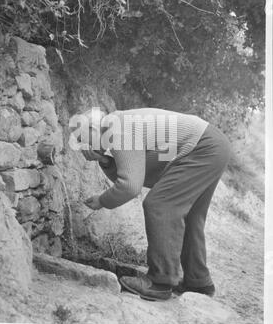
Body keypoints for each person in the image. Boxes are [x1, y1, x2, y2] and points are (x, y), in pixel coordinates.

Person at [76, 107, 231, 301]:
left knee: (159, 205)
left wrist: (102, 200)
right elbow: (140, 172)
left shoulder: (115, 128)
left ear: (92, 128)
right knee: (191, 215)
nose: (84, 147)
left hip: (203, 146)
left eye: (83, 139)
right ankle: (198, 282)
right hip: (213, 144)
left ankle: (160, 283)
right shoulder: (122, 125)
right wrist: (104, 160)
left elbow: (130, 186)